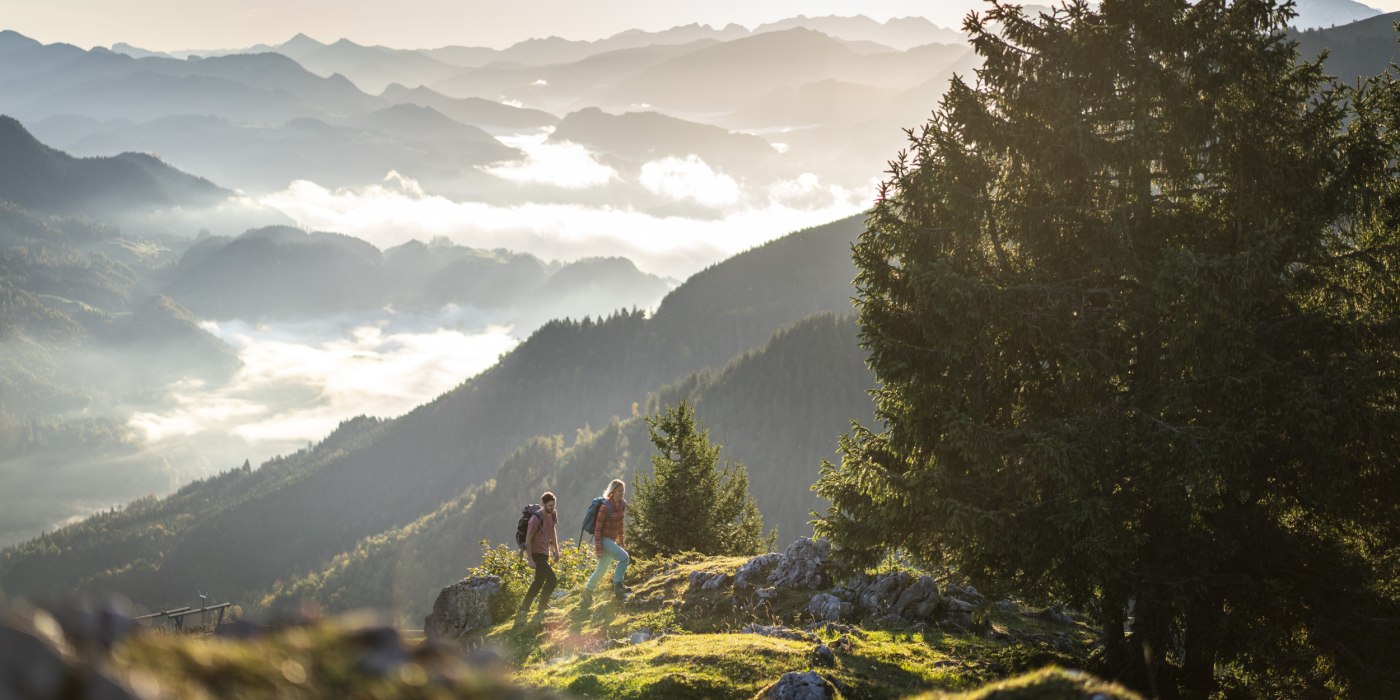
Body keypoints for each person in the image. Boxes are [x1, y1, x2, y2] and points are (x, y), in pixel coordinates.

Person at [581, 479, 629, 609]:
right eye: (619, 491)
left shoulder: (623, 504)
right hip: (603, 539)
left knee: (602, 568)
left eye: (623, 490)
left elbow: (620, 524)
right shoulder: (605, 506)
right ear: (613, 492)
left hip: (612, 540)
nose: (622, 493)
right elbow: (597, 529)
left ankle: (587, 592)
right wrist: (598, 548)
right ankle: (618, 585)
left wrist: (622, 540)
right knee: (624, 558)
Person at [518, 491, 560, 622]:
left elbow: (552, 532)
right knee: (552, 580)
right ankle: (542, 606)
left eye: (553, 505)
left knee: (538, 581)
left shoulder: (553, 514)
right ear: (543, 504)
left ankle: (524, 608)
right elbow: (528, 539)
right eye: (549, 505)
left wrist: (556, 550)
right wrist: (530, 559)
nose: (552, 508)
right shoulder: (535, 519)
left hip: (545, 552)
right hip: (536, 553)